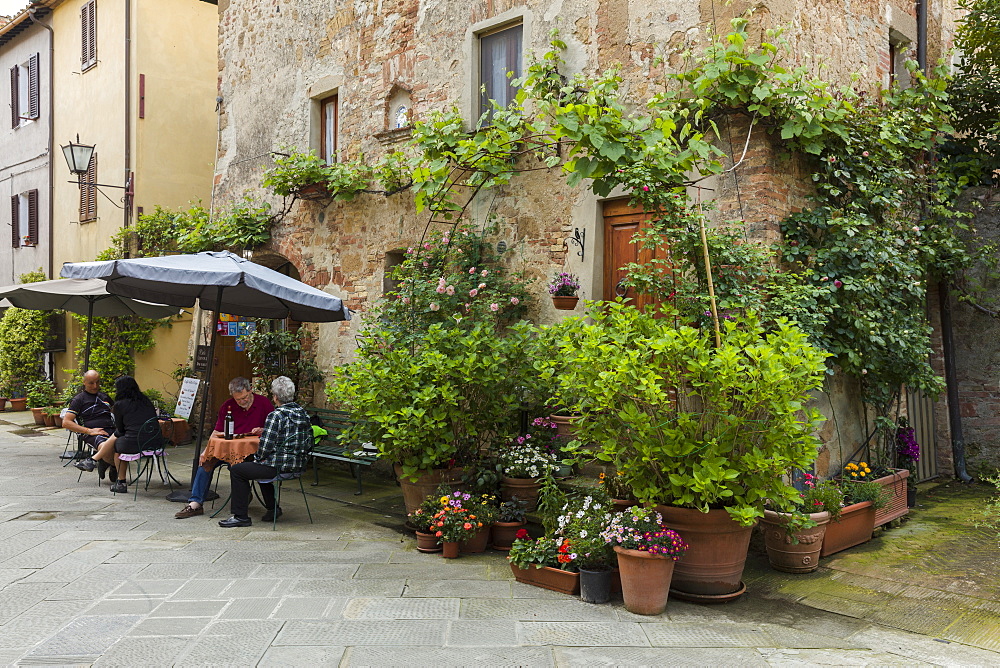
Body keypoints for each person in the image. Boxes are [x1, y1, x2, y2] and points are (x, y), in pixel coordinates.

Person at [218, 376, 312, 528]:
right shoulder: (303, 414)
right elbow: (309, 441)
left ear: (275, 397)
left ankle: (240, 516)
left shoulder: (275, 416)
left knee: (238, 470)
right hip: (298, 465)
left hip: (278, 467)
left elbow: (265, 449)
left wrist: (257, 458)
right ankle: (273, 509)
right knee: (260, 466)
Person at [174, 377, 274, 519]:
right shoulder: (228, 406)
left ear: (251, 390)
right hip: (227, 449)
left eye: (244, 398)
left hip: (252, 451)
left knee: (240, 469)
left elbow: (274, 430)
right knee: (205, 463)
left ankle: (244, 496)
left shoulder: (263, 403)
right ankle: (195, 504)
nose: (241, 402)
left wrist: (263, 430)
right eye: (237, 399)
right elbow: (216, 431)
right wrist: (206, 451)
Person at [76, 376, 164, 494]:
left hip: (135, 444)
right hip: (155, 442)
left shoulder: (120, 405)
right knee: (119, 438)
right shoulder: (146, 401)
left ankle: (120, 482)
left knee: (118, 445)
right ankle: (93, 460)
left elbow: (120, 430)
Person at [66, 370, 117, 482]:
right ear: (84, 382)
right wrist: (89, 431)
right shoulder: (79, 399)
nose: (95, 386)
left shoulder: (105, 397)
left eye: (97, 382)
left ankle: (104, 462)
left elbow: (117, 413)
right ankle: (112, 465)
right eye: (91, 383)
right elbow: (66, 422)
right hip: (92, 433)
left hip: (112, 431)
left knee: (124, 445)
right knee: (106, 447)